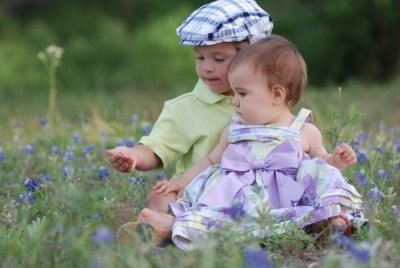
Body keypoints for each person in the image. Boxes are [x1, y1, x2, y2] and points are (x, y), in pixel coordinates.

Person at [119, 35, 365, 251]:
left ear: (277, 95)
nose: (234, 102)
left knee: (320, 177)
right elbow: (210, 160)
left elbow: (320, 163)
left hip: (286, 202)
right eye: (234, 93)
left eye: (242, 94)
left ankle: (338, 223)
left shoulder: (304, 130)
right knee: (213, 218)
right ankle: (167, 228)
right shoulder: (234, 129)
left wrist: (334, 160)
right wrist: (181, 182)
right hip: (238, 202)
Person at [107, 0, 274, 213]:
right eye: (200, 57)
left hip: (251, 191)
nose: (207, 67)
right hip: (195, 189)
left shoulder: (268, 102)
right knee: (160, 197)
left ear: (252, 59)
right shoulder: (183, 109)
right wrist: (132, 155)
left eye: (219, 59)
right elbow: (156, 149)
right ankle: (163, 227)